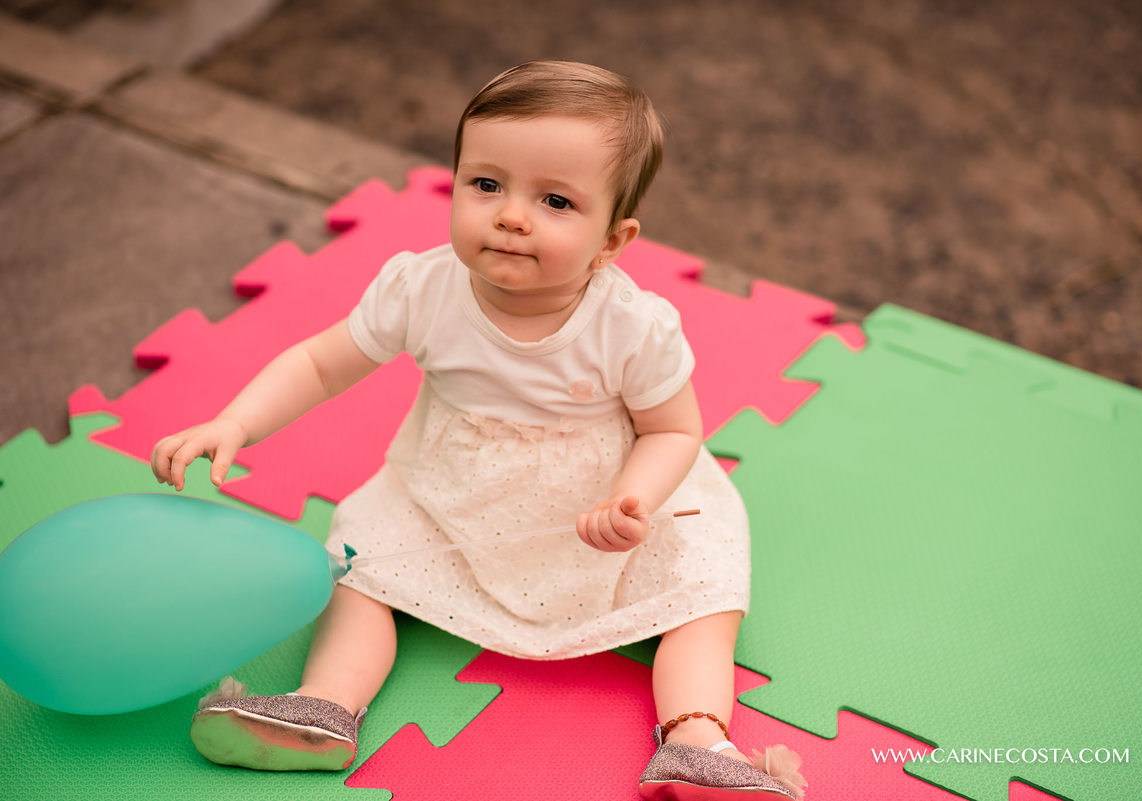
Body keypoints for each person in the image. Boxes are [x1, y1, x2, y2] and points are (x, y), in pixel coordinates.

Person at [151, 60, 803, 800]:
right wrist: (235, 419)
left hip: (599, 499)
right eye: (486, 184)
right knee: (359, 560)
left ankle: (696, 740)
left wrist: (634, 499)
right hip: (453, 488)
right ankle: (324, 707)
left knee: (702, 588)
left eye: (555, 199)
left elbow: (674, 430)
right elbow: (320, 363)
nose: (511, 215)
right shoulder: (421, 288)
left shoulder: (631, 325)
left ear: (613, 239)